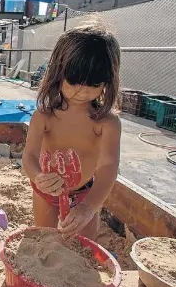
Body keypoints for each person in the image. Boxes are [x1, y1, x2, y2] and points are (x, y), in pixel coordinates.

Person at [22, 22, 122, 241]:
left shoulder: (107, 123)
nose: (83, 90)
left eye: (94, 83)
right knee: (46, 238)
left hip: (86, 193)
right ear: (58, 73)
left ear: (108, 80)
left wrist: (88, 208)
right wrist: (38, 177)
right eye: (75, 80)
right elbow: (29, 156)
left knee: (84, 246)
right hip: (47, 190)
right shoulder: (44, 116)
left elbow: (107, 168)